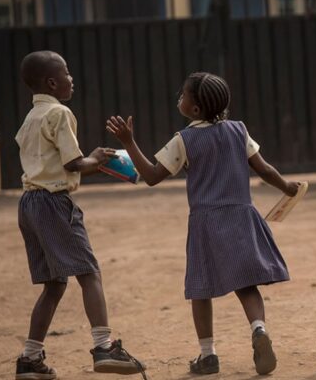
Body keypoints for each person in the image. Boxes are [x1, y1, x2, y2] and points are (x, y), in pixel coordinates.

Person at [106, 72, 296, 374]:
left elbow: (153, 176)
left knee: (200, 288)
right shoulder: (238, 130)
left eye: (183, 95)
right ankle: (259, 329)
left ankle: (208, 354)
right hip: (241, 215)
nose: (178, 98)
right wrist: (287, 188)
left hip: (206, 222)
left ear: (194, 110)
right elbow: (264, 169)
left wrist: (129, 143)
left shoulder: (184, 140)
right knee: (246, 284)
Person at [15, 51, 146, 379]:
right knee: (89, 273)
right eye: (67, 73)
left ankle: (30, 359)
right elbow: (74, 164)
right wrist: (98, 158)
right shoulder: (60, 113)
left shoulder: (29, 119)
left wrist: (91, 160)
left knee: (54, 285)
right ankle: (104, 347)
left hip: (29, 205)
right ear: (52, 82)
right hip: (54, 203)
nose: (71, 78)